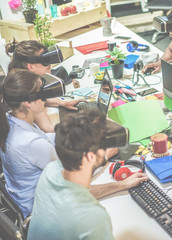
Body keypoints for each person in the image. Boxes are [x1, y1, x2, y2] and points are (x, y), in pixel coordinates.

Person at [27, 110, 148, 239]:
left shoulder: (50, 171)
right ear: (90, 156)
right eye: (103, 146)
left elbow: (80, 191)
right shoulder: (92, 217)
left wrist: (121, 184)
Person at [0, 69, 59, 218]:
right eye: (41, 93)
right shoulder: (30, 142)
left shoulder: (10, 119)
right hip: (42, 211)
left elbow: (45, 140)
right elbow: (71, 175)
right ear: (28, 103)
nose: (44, 99)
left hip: (23, 198)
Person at [5, 39, 82, 132]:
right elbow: (49, 128)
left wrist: (62, 103)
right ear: (31, 66)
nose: (49, 64)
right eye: (44, 61)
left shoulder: (21, 78)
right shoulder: (26, 88)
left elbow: (41, 97)